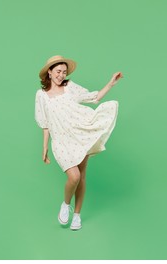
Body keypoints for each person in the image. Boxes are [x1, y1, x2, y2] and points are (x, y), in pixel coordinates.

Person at [34, 55, 123, 230]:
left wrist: (111, 83)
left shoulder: (70, 87)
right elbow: (44, 124)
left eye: (64, 72)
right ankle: (66, 204)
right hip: (60, 140)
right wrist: (44, 147)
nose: (61, 75)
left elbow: (94, 97)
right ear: (49, 72)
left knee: (81, 177)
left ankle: (77, 216)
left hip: (80, 134)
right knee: (73, 177)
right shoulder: (41, 95)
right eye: (58, 71)